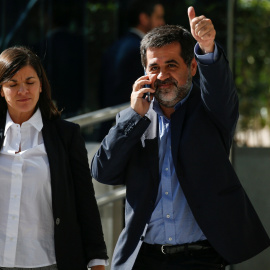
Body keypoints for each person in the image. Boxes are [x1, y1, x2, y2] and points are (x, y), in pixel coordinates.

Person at [91, 6, 270, 270]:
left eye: (172, 65)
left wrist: (208, 48)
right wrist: (133, 118)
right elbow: (103, 172)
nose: (162, 76)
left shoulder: (211, 111)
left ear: (193, 66)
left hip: (201, 258)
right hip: (145, 259)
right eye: (154, 67)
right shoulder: (135, 117)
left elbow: (220, 91)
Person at [0, 46, 108, 270]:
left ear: (41, 84)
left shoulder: (66, 135)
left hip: (50, 262)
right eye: (12, 84)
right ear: (1, 90)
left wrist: (97, 260)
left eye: (30, 82)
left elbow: (85, 201)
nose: (23, 91)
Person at [98, 0, 165, 140]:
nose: (162, 23)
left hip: (109, 128)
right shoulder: (142, 51)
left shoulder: (115, 46)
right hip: (128, 132)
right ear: (144, 18)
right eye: (158, 17)